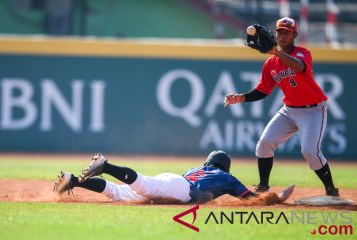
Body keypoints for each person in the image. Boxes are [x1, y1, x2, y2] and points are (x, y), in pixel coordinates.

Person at [224, 17, 339, 197]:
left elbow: (300, 67)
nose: (282, 36)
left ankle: (331, 190)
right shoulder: (270, 63)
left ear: (295, 35)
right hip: (289, 110)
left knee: (310, 151)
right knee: (264, 144)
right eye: (280, 32)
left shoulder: (302, 53)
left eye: (287, 32)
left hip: (313, 110)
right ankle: (263, 187)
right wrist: (242, 98)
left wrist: (276, 53)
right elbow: (263, 90)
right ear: (275, 35)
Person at [53, 151, 294, 204]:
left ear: (208, 162)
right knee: (143, 184)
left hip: (177, 181)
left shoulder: (196, 169)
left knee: (118, 193)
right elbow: (251, 198)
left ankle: (73, 180)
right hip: (182, 189)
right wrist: (275, 197)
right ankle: (106, 165)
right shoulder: (227, 177)